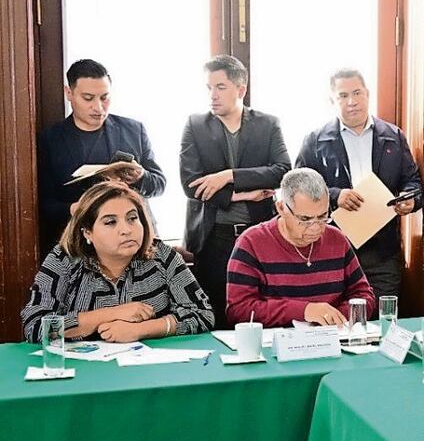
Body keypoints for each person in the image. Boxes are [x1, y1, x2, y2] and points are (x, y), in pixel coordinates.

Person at [22, 181, 213, 343]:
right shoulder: (64, 259)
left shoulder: (161, 255)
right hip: (84, 374)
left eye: (132, 218)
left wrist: (142, 329)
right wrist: (113, 313)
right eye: (110, 222)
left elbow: (202, 314)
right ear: (87, 232)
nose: (126, 230)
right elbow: (36, 326)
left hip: (148, 371)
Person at [180, 55, 291, 326]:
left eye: (220, 87)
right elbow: (190, 184)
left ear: (240, 89)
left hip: (260, 234)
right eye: (208, 88)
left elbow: (282, 171)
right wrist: (242, 194)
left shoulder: (268, 124)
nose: (212, 95)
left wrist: (227, 176)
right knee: (216, 314)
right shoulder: (195, 125)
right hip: (213, 237)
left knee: (260, 313)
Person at [294, 68, 423, 298]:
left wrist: (410, 200)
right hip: (332, 246)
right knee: (338, 318)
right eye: (343, 96)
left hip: (382, 249)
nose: (352, 102)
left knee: (382, 316)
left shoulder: (393, 135)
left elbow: (413, 182)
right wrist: (335, 195)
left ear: (367, 94)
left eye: (357, 93)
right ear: (332, 100)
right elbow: (298, 188)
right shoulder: (315, 140)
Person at [37, 59, 167, 247]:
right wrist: (75, 208)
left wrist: (140, 176)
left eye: (105, 97)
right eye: (88, 98)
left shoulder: (133, 130)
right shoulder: (50, 139)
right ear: (69, 93)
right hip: (79, 244)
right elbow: (45, 204)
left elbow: (159, 184)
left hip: (133, 242)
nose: (98, 107)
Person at [225, 168, 375, 327]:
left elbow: (365, 296)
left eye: (323, 216)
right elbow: (238, 311)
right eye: (305, 219)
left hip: (331, 338)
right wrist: (304, 311)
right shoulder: (251, 243)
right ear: (281, 208)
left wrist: (333, 317)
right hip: (276, 345)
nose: (316, 227)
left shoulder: (337, 239)